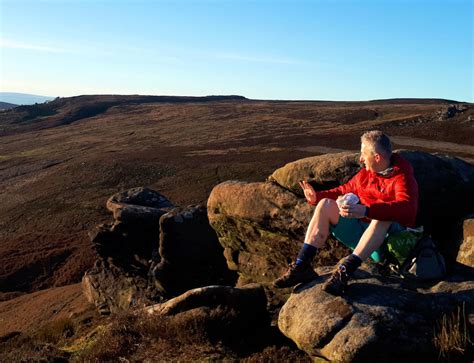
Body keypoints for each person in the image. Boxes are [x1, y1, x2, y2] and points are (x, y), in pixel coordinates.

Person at [273, 130, 419, 295]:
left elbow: (408, 209)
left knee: (381, 218)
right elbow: (343, 190)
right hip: (363, 235)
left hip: (389, 243)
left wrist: (367, 210)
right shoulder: (366, 174)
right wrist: (317, 197)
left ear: (377, 157)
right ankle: (301, 266)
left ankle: (345, 271)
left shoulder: (402, 176)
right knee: (325, 204)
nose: (360, 159)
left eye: (364, 154)